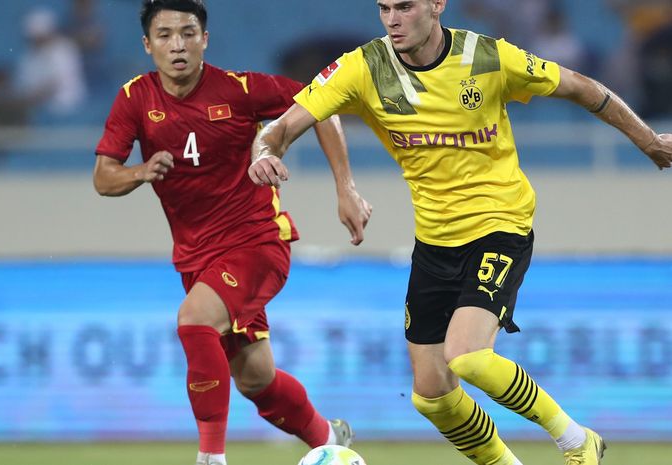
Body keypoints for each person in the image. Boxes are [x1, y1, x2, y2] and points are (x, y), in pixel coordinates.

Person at [249, 1, 672, 465]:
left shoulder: (488, 58)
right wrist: (263, 154)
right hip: (434, 239)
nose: (392, 18)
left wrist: (647, 139)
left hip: (500, 224)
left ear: (436, 5)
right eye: (384, 7)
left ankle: (577, 441)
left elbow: (582, 88)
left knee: (467, 356)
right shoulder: (362, 67)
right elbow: (282, 128)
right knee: (430, 396)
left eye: (405, 7)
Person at [92, 2, 371, 465]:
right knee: (255, 379)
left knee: (194, 320)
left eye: (188, 32)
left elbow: (323, 101)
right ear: (147, 44)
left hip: (257, 242)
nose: (177, 44)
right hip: (197, 258)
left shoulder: (240, 89)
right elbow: (104, 177)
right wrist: (140, 172)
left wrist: (346, 188)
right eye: (164, 35)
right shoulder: (134, 99)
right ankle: (329, 436)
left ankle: (210, 458)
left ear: (206, 39)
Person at [17, 7, 87, 116]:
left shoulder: (65, 49)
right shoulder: (28, 57)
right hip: (43, 113)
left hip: (69, 109)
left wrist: (30, 98)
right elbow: (24, 86)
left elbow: (54, 85)